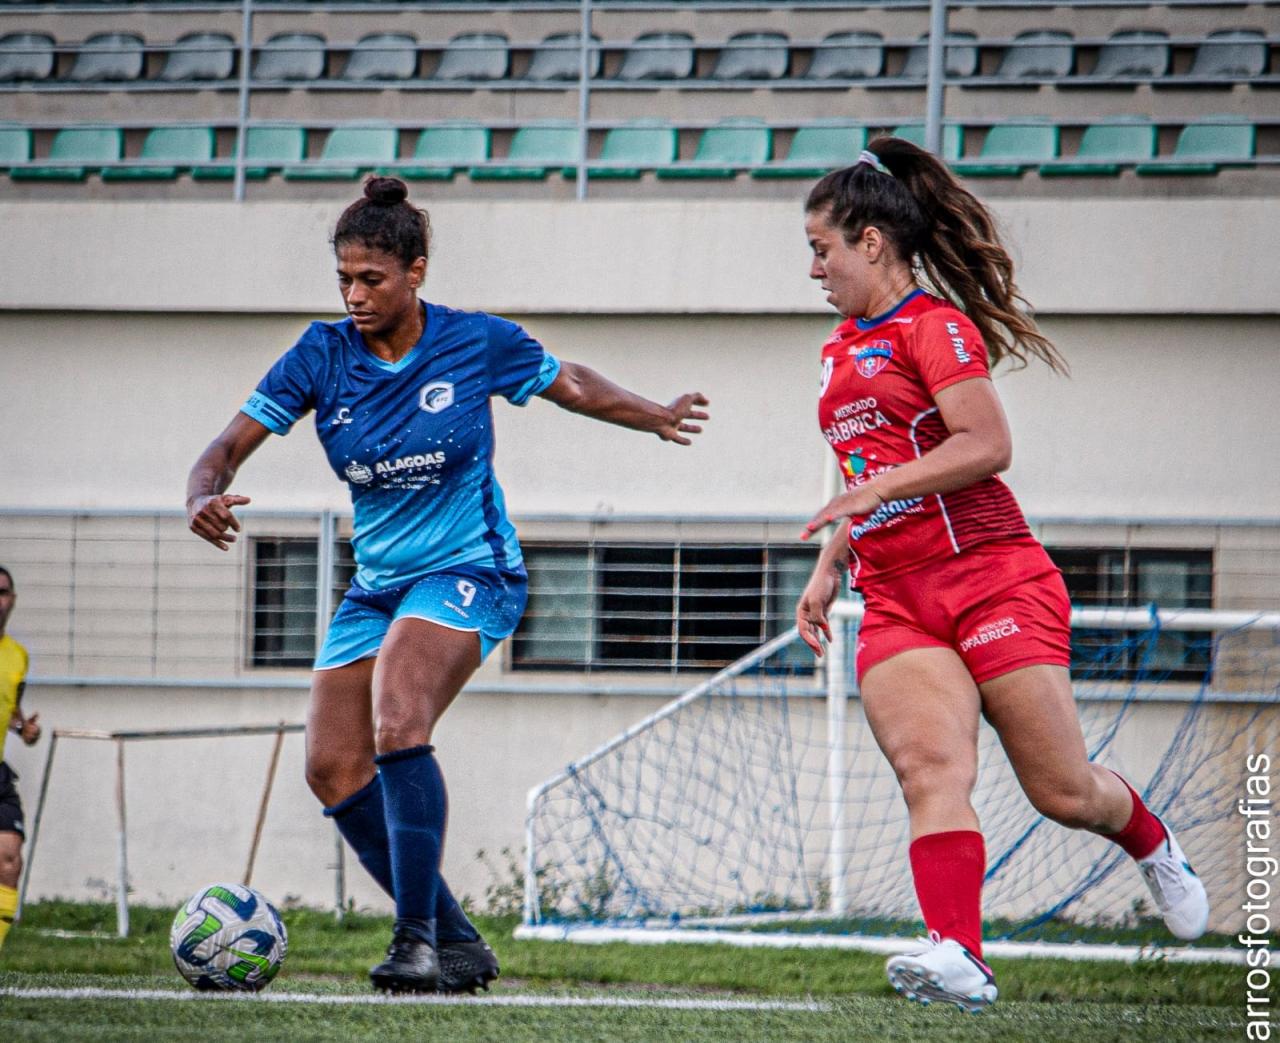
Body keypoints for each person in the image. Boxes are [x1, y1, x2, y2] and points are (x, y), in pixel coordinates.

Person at [187, 176, 709, 994]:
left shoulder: (474, 342)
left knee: (400, 713)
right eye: (345, 280)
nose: (356, 296)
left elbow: (568, 381)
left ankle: (416, 941)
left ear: (417, 271)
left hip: (472, 571)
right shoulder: (319, 355)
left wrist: (655, 412)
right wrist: (201, 494)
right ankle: (461, 940)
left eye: (373, 279)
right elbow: (223, 447)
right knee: (331, 766)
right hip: (379, 586)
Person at [794, 141, 1208, 1013]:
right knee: (928, 769)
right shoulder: (838, 348)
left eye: (821, 247)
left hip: (990, 576)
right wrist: (829, 565)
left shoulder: (935, 326)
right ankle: (961, 954)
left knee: (1062, 790)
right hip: (898, 594)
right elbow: (863, 469)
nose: (814, 268)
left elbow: (986, 446)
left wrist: (869, 490)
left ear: (871, 241)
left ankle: (1150, 838)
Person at [0, 565, 41, 955]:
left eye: (4, 592)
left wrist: (23, 728)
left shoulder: (17, 657)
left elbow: (10, 708)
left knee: (10, 859)